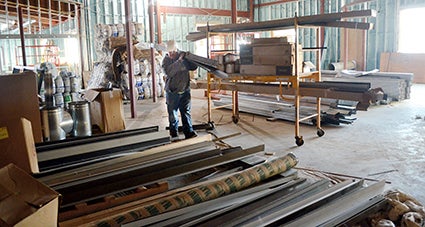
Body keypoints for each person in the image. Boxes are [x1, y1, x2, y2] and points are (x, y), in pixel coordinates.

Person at [162, 40, 198, 140]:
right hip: (172, 92)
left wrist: (190, 57)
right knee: (173, 115)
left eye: (173, 52)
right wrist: (179, 61)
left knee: (186, 112)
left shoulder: (183, 56)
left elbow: (194, 67)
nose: (171, 54)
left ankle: (189, 132)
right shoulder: (166, 60)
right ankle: (174, 134)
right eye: (169, 52)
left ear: (176, 50)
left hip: (185, 90)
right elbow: (169, 72)